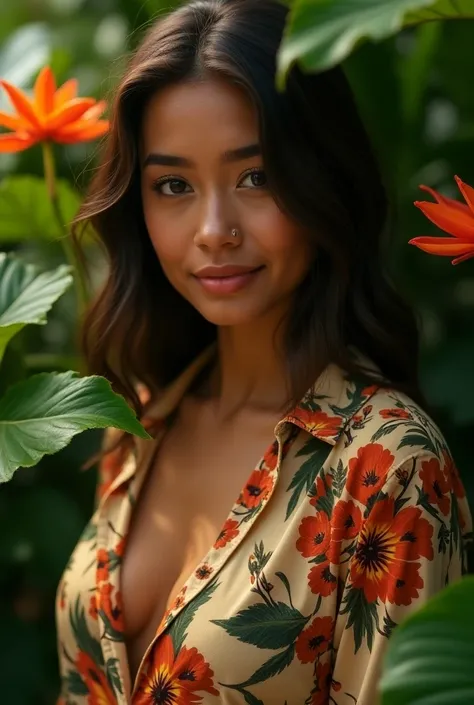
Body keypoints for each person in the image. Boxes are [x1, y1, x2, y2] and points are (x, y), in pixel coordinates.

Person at [56, 0, 472, 703]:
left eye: (255, 176)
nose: (215, 229)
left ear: (323, 180)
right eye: (174, 186)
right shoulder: (142, 416)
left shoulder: (387, 466)